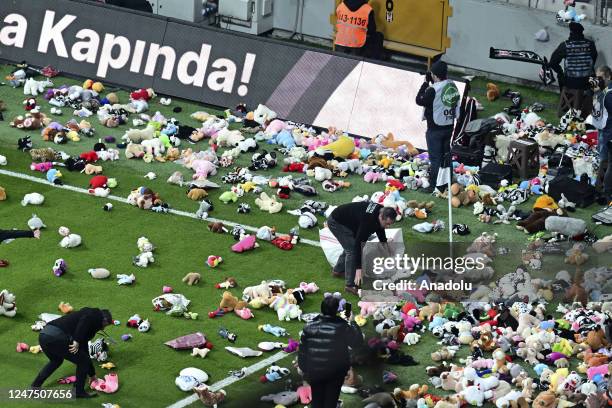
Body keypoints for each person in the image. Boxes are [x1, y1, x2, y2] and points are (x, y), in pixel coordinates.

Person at [32, 308, 114, 398]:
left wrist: (92, 374)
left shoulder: (86, 325)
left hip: (44, 335)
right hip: (56, 337)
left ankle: (35, 387)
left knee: (56, 361)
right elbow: (85, 320)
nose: (103, 328)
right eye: (105, 325)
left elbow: (85, 350)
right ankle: (78, 391)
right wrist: (76, 340)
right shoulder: (94, 314)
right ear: (104, 319)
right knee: (83, 361)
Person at [298, 295, 363, 408]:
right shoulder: (342, 326)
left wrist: (305, 369)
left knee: (317, 400)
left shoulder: (309, 326)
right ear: (336, 310)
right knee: (331, 401)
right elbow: (357, 343)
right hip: (335, 372)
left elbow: (303, 351)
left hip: (315, 371)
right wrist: (352, 322)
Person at [327, 201, 396, 295]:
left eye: (390, 224)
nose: (388, 227)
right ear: (381, 217)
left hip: (349, 221)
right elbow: (358, 245)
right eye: (387, 224)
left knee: (349, 245)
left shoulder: (381, 210)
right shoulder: (368, 222)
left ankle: (338, 271)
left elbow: (380, 228)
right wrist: (358, 269)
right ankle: (350, 285)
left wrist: (385, 244)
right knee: (351, 250)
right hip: (337, 222)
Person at [416, 60, 460, 194]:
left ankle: (433, 185)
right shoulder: (452, 85)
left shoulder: (432, 89)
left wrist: (425, 83)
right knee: (446, 156)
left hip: (435, 129)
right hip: (449, 126)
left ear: (434, 75)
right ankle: (447, 182)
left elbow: (419, 100)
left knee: (435, 158)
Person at [549, 22, 598, 117]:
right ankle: (587, 106)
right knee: (593, 75)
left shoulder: (565, 45)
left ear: (571, 32)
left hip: (571, 82)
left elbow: (553, 63)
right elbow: (593, 60)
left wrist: (561, 73)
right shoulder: (590, 44)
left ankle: (566, 105)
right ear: (582, 33)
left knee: (561, 76)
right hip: (588, 81)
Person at [592, 66, 612, 192]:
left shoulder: (608, 94)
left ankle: (604, 188)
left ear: (609, 77)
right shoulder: (605, 91)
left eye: (600, 78)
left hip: (608, 131)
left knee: (606, 160)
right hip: (605, 129)